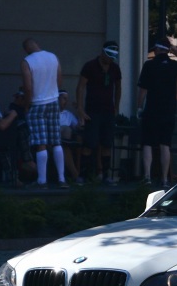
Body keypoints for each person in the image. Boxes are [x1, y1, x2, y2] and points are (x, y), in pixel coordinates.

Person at [136, 35, 177, 187]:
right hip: (168, 110)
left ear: (157, 49)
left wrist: (139, 107)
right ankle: (165, 179)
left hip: (152, 109)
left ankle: (147, 176)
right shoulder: (174, 66)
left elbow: (143, 89)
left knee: (147, 143)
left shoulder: (149, 65)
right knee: (165, 144)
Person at [20, 37, 67, 189]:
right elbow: (59, 80)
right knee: (56, 142)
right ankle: (61, 179)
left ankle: (42, 181)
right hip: (53, 101)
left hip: (37, 104)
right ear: (38, 44)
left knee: (41, 143)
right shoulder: (53, 57)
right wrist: (53, 92)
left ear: (26, 50)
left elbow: (27, 87)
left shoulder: (27, 62)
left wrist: (27, 105)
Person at [77, 40, 122, 184]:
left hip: (108, 111)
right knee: (89, 143)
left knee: (107, 143)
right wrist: (80, 109)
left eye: (113, 57)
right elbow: (81, 87)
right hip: (92, 110)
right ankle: (83, 174)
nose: (110, 59)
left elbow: (118, 87)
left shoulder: (115, 68)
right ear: (102, 52)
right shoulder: (90, 66)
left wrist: (117, 107)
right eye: (108, 55)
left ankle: (106, 174)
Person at [57, 91, 83, 184]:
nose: (66, 102)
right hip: (53, 143)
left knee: (75, 137)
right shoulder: (51, 113)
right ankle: (75, 174)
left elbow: (79, 126)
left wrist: (78, 110)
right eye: (64, 99)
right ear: (57, 99)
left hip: (66, 143)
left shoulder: (68, 114)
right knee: (66, 130)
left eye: (67, 99)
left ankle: (76, 171)